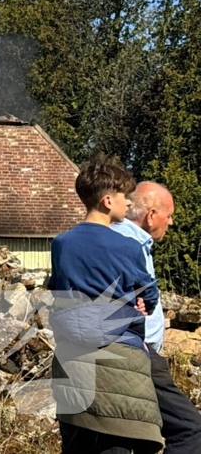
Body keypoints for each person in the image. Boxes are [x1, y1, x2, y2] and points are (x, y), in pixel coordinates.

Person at [48, 157, 164, 453]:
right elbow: (148, 293)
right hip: (119, 359)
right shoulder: (128, 246)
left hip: (73, 356)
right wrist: (143, 307)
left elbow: (58, 290)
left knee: (77, 446)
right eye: (125, 197)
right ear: (108, 200)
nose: (128, 204)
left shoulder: (61, 244)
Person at [113, 181, 201, 454]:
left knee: (127, 436)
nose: (171, 222)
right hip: (135, 354)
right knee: (190, 429)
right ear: (151, 215)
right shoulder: (127, 245)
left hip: (128, 354)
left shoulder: (132, 242)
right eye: (169, 214)